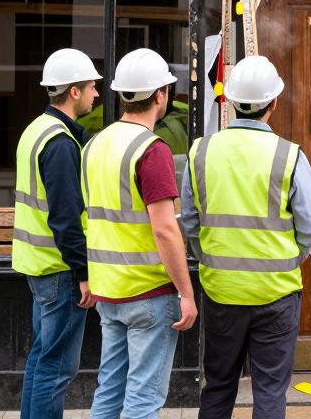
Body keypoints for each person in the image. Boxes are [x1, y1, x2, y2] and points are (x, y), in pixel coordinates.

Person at [182, 55, 311, 419]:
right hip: (276, 292)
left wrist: (210, 257)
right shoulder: (289, 155)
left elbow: (189, 223)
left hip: (221, 291)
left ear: (227, 100)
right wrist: (290, 258)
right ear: (273, 103)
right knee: (270, 392)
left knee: (218, 387)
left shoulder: (201, 151)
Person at [84, 48, 198, 419]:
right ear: (161, 94)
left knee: (109, 392)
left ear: (120, 95)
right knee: (143, 401)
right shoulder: (151, 150)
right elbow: (165, 229)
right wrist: (185, 291)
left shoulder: (94, 145)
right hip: (148, 292)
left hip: (108, 290)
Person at [13, 48, 102, 419]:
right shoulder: (61, 144)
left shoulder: (36, 130)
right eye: (92, 86)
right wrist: (83, 273)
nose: (97, 93)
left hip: (39, 267)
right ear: (74, 92)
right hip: (60, 270)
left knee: (41, 360)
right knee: (57, 368)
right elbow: (66, 219)